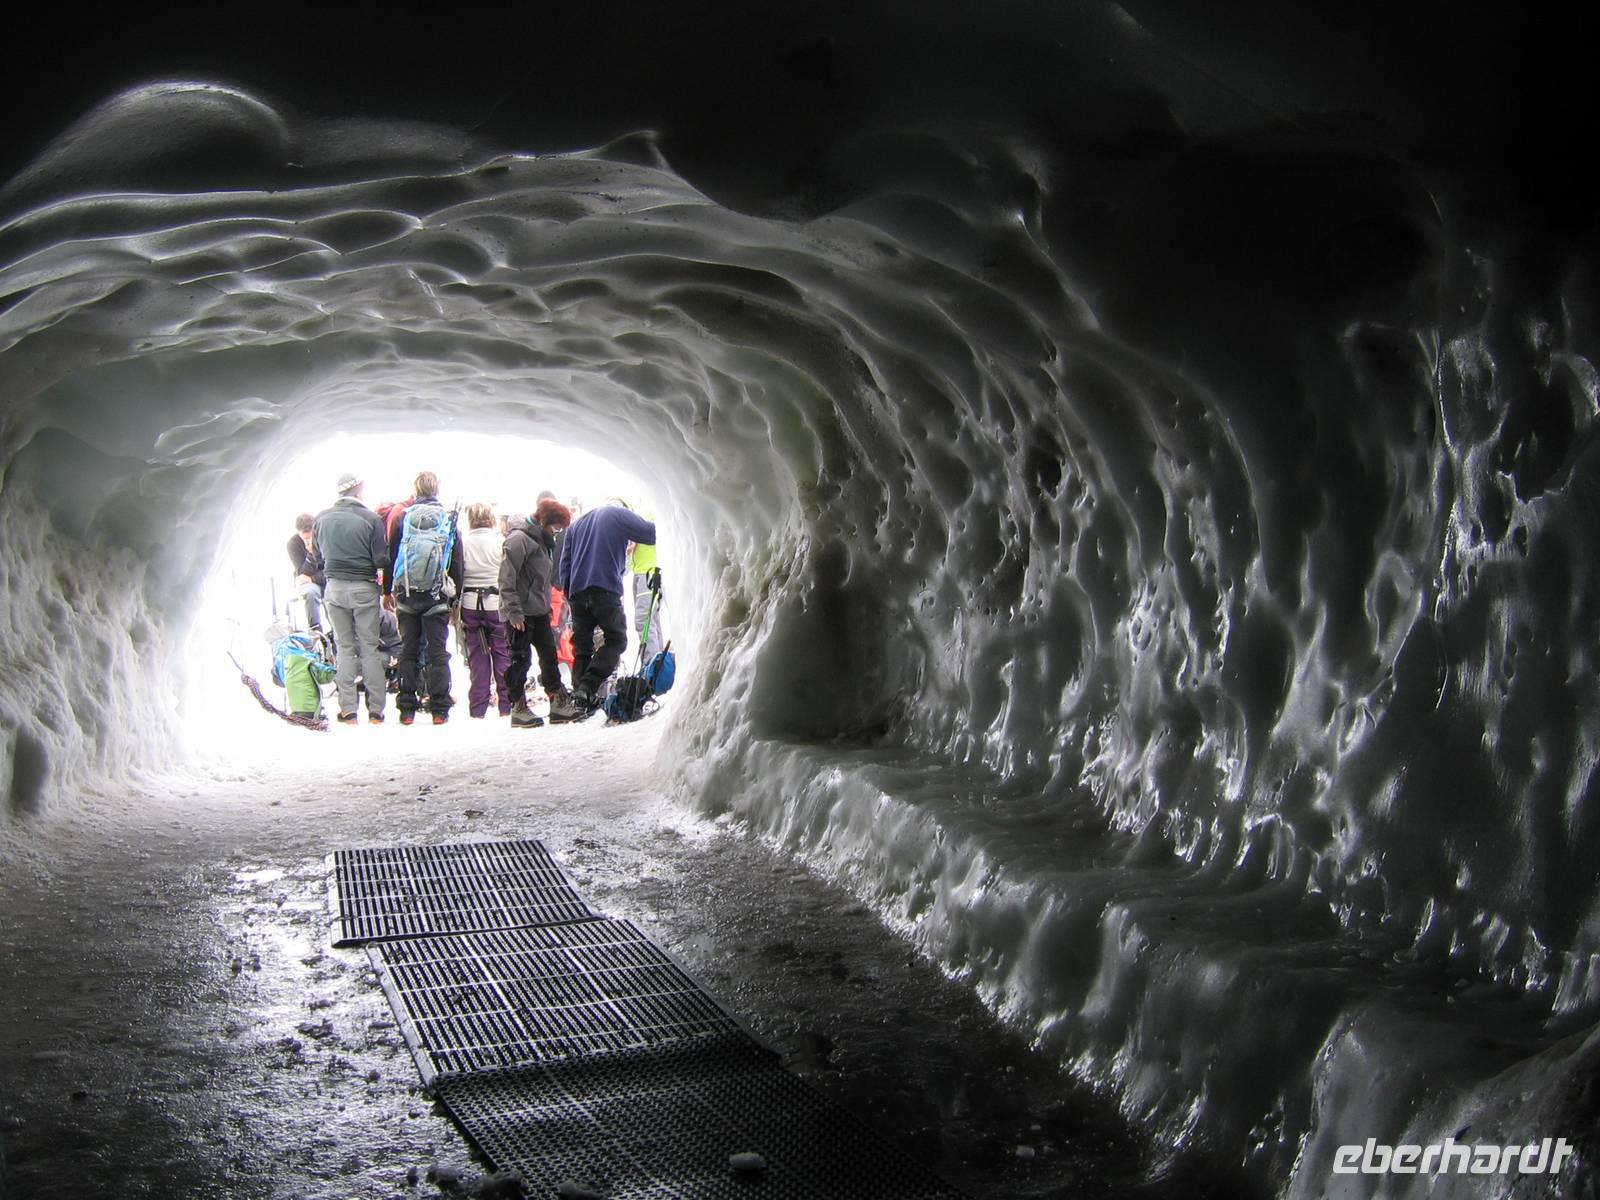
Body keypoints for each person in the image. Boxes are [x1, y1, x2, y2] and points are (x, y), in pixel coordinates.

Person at [554, 501, 656, 716]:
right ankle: (587, 687)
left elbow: (565, 563)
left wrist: (569, 593)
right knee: (617, 640)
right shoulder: (618, 514)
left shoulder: (577, 524)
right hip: (605, 588)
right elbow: (652, 533)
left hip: (577, 592)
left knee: (582, 647)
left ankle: (580, 701)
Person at [310, 473, 390, 724]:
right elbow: (381, 560)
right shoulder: (371, 519)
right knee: (369, 648)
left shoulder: (321, 519)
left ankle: (348, 710)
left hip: (334, 589)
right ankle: (376, 711)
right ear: (359, 490)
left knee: (344, 648)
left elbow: (317, 558)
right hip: (363, 588)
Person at [387, 470, 464, 725]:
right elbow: (456, 562)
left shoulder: (403, 519)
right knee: (437, 652)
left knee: (409, 651)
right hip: (437, 596)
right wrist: (455, 598)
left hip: (407, 595)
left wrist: (388, 590)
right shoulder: (447, 520)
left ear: (416, 490)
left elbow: (392, 556)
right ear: (436, 490)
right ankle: (439, 709)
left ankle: (407, 708)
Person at [500, 499, 573, 726]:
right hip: (520, 613)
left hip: (539, 611)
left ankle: (557, 700)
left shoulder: (542, 541)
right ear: (544, 521)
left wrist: (546, 606)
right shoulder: (518, 540)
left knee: (549, 655)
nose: (557, 531)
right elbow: (506, 579)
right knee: (520, 659)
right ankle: (518, 707)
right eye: (556, 526)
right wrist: (514, 613)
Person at [459, 502, 513, 719]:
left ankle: (478, 708)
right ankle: (506, 707)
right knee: (502, 654)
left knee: (477, 657)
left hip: (471, 604)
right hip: (496, 604)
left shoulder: (464, 542)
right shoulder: (500, 541)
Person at [287, 514, 326, 631]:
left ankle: (337, 632)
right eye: (305, 539)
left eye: (311, 537)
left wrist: (313, 578)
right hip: (309, 583)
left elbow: (332, 568)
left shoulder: (324, 536)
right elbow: (302, 573)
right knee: (310, 593)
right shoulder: (293, 544)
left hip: (326, 577)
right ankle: (316, 631)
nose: (309, 541)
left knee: (331, 593)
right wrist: (310, 554)